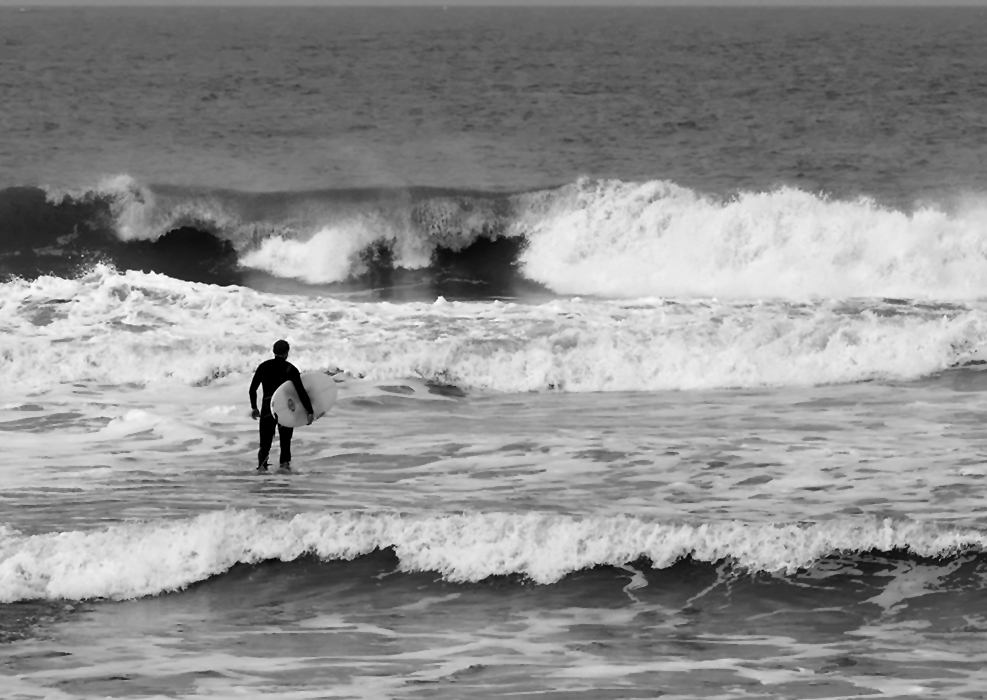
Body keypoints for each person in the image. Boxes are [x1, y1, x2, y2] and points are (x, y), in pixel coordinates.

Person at [249, 339, 314, 473]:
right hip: (285, 409)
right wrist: (310, 411)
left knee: (265, 444)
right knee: (285, 443)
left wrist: (254, 407)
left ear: (274, 351)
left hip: (268, 408)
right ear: (286, 353)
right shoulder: (290, 369)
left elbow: (252, 389)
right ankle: (284, 473)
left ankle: (262, 470)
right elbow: (301, 392)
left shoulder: (263, 367)